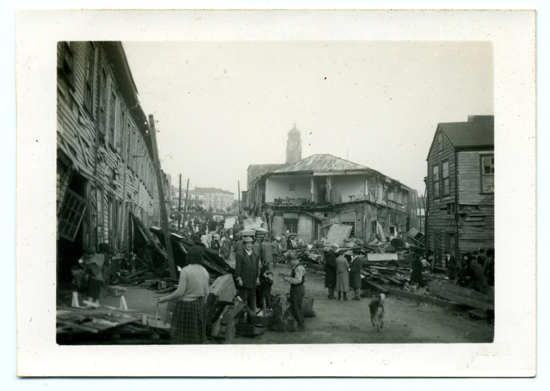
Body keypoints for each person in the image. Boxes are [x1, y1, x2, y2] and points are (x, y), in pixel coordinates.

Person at [158, 246, 210, 344]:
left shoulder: (186, 270)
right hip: (198, 305)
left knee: (182, 337)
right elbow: (206, 293)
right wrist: (201, 306)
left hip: (185, 306)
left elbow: (179, 292)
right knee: (195, 336)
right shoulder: (204, 271)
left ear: (189, 257)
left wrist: (165, 299)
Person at [281, 254, 307, 331]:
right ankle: (300, 322)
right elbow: (294, 274)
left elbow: (298, 280)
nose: (289, 263)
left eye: (289, 261)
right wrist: (284, 274)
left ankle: (301, 325)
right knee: (295, 306)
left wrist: (287, 279)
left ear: (293, 260)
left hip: (297, 289)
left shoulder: (299, 267)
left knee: (297, 307)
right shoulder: (297, 267)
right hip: (296, 289)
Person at [235, 236, 260, 313]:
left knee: (252, 304)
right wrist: (239, 278)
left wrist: (257, 278)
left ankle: (251, 321)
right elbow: (238, 268)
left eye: (251, 243)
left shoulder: (255, 255)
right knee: (242, 304)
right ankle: (240, 321)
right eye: (247, 243)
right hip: (244, 282)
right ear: (244, 245)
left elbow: (256, 268)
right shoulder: (240, 254)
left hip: (252, 283)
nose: (249, 245)